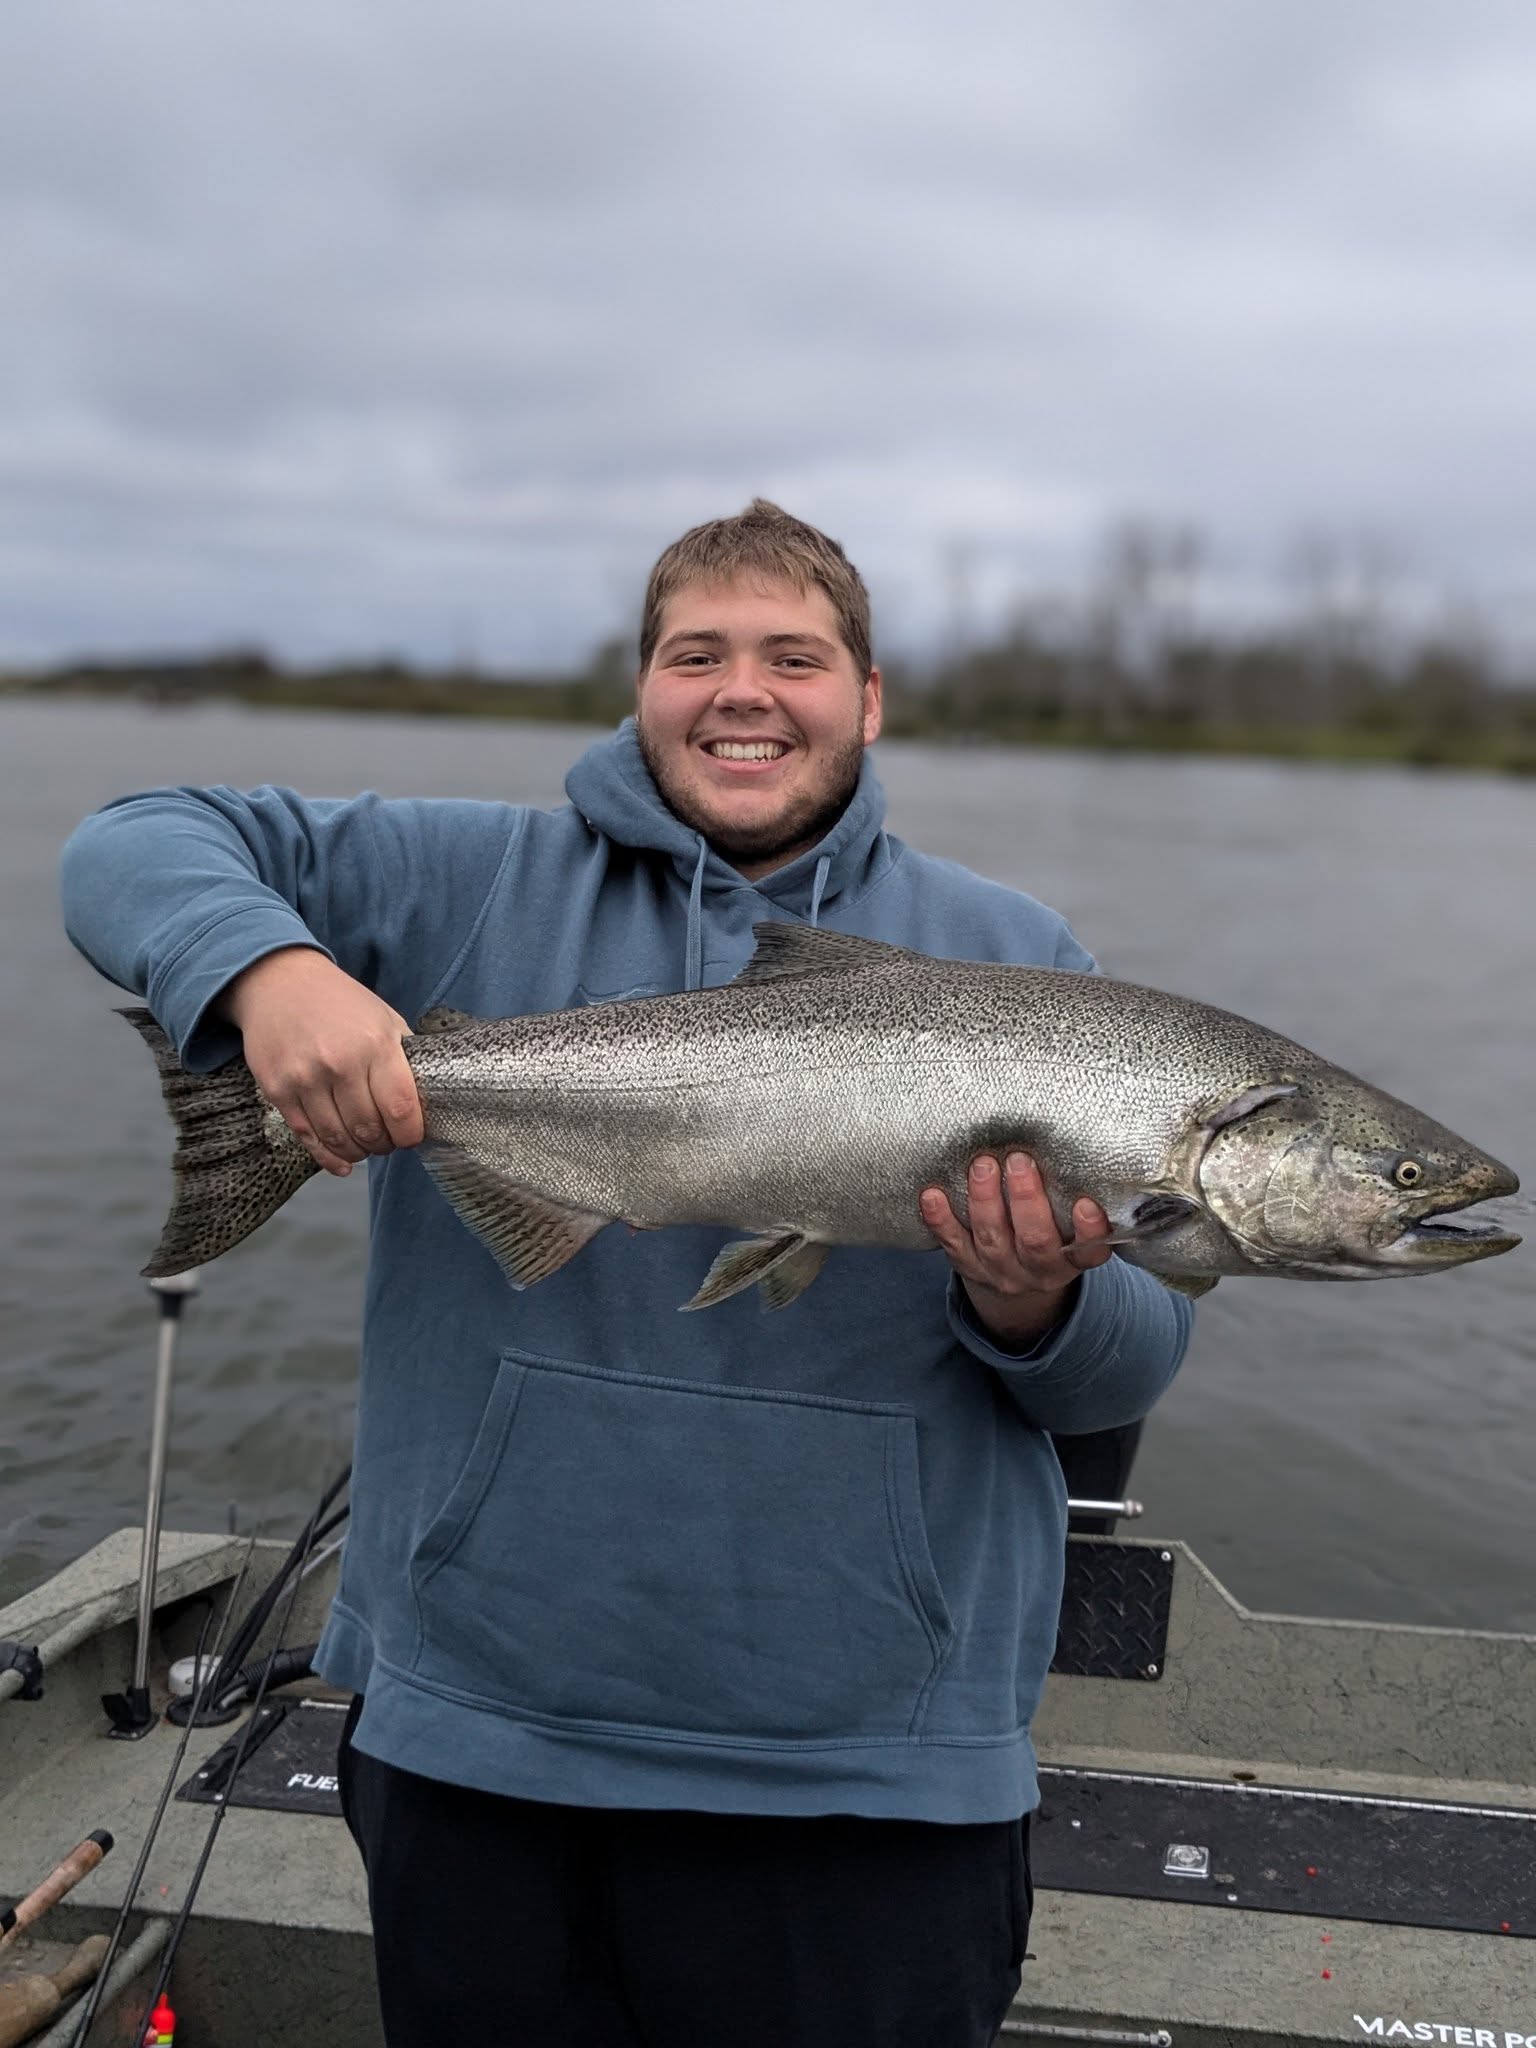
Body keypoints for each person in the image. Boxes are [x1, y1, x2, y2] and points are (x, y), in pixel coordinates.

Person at [61, 499, 1192, 2048]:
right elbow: (128, 840)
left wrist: (1031, 1297)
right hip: (486, 1742)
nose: (743, 690)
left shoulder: (1014, 960)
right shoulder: (462, 883)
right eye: (696, 653)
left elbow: (1127, 1365)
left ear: (868, 700)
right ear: (640, 685)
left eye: (795, 657)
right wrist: (275, 974)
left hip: (876, 1774)